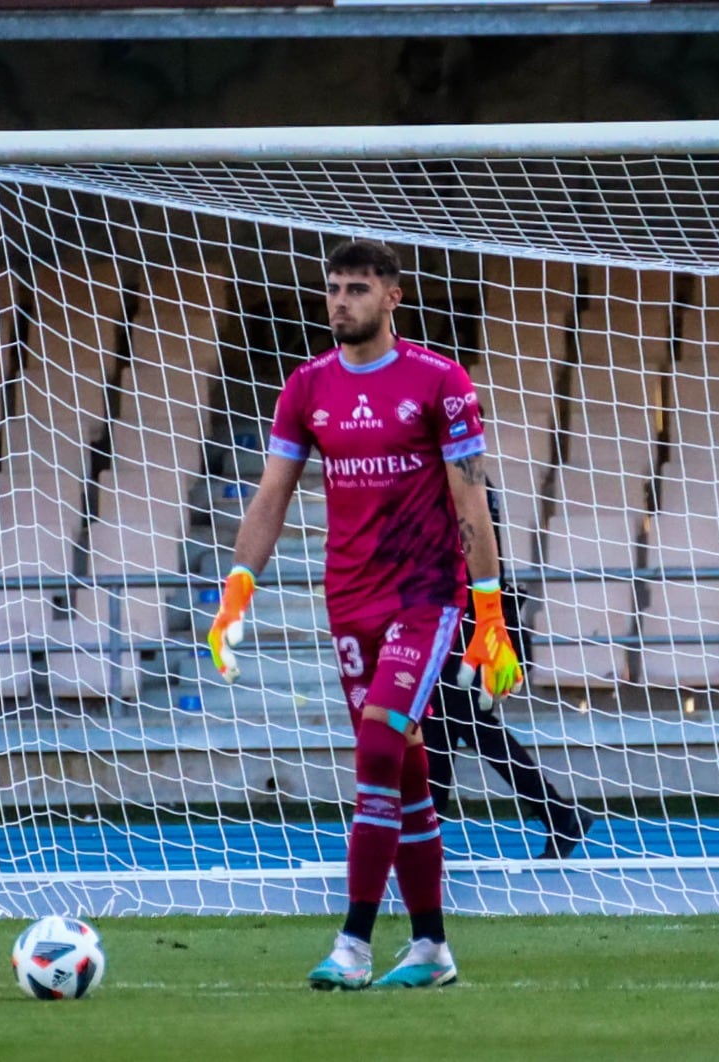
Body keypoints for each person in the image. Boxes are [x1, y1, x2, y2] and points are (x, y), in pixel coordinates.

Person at [206, 238, 522, 990]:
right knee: (404, 773)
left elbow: (468, 497)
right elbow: (274, 491)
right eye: (333, 288)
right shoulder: (306, 386)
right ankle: (432, 950)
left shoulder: (440, 382)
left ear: (392, 298)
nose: (340, 301)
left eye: (355, 289)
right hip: (348, 599)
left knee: (379, 748)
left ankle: (352, 944)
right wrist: (238, 586)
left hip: (424, 596)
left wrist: (489, 613)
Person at [424, 483, 593, 860]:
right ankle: (559, 816)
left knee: (460, 719)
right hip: (461, 612)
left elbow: (474, 549)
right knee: (451, 721)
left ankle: (559, 815)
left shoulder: (458, 480)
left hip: (465, 617)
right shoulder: (465, 476)